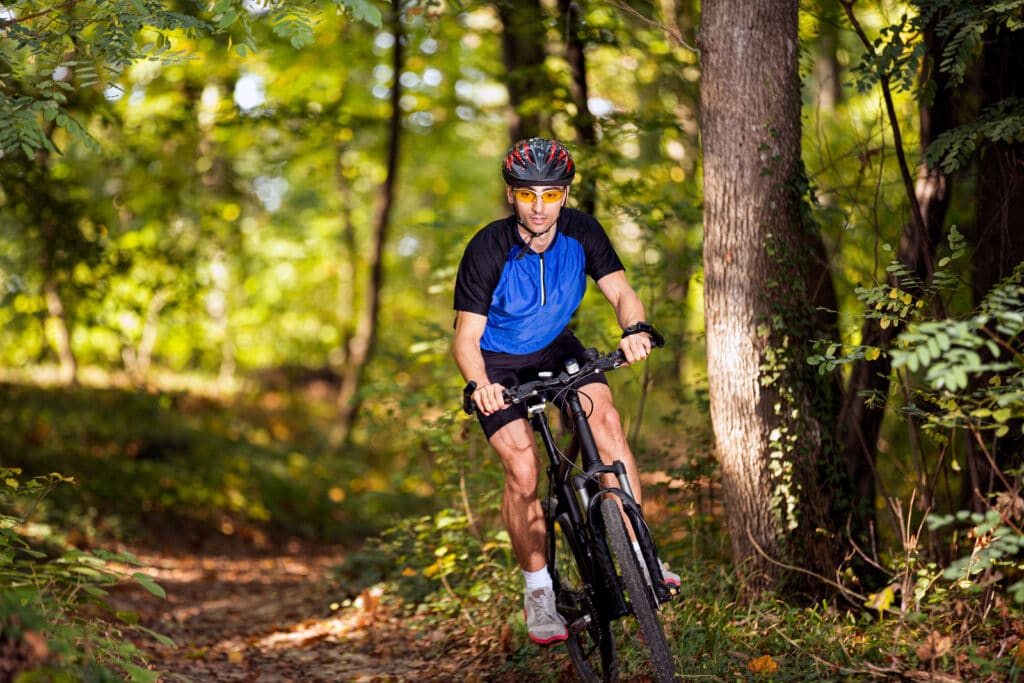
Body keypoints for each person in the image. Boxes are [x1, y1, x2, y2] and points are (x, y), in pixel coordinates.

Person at [451, 137, 679, 645]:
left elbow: (619, 290)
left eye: (550, 195)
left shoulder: (582, 231)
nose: (539, 206)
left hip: (557, 347)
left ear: (565, 194)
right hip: (498, 364)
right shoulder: (487, 247)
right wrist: (480, 385)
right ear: (511, 195)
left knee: (609, 424)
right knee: (524, 468)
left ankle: (642, 553)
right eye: (528, 194)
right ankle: (538, 592)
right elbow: (465, 338)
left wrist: (635, 327)